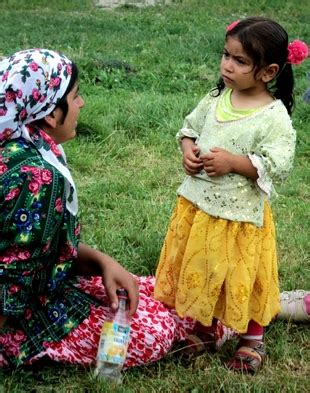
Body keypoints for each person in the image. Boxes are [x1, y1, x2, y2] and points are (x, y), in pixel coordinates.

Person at [0, 48, 206, 369]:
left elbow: (39, 246)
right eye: (76, 96)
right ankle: (235, 317)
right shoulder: (37, 177)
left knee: (161, 290)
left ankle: (250, 307)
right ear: (51, 113)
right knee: (152, 330)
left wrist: (101, 261)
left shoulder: (22, 146)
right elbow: (13, 277)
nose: (81, 104)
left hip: (46, 288)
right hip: (21, 317)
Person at [154, 17, 308, 373]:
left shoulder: (273, 116)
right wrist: (188, 150)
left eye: (239, 61)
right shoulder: (216, 98)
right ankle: (206, 328)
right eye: (226, 55)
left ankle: (252, 338)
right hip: (199, 207)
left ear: (268, 71)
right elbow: (189, 128)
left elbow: (277, 164)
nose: (227, 64)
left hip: (239, 218)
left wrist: (234, 162)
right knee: (205, 268)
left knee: (243, 275)